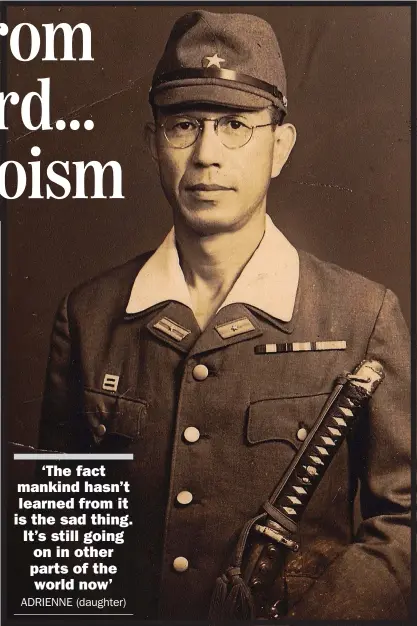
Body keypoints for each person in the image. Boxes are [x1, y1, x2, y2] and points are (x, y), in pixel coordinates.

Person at [39, 10, 410, 621]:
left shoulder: (362, 315)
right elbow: (61, 543)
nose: (207, 154)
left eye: (236, 124)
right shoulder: (90, 315)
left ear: (279, 147)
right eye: (184, 125)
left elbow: (402, 519)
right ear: (153, 143)